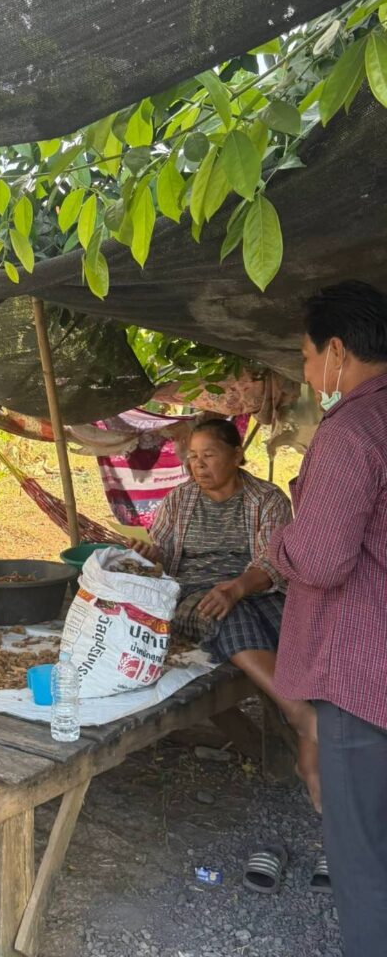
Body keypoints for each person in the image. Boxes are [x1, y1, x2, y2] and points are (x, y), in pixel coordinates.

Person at [268, 280, 387, 957]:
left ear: (337, 352)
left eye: (308, 359)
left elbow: (320, 557)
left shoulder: (351, 432)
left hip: (363, 671)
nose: (309, 376)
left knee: (364, 856)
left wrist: (277, 544)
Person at [131, 418, 320, 807]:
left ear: (236, 456)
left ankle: (319, 736)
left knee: (291, 625)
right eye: (193, 457)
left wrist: (238, 588)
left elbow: (273, 564)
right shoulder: (180, 500)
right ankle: (298, 713)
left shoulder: (266, 500)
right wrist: (150, 554)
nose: (199, 466)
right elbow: (163, 550)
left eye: (209, 455)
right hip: (195, 596)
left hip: (256, 590)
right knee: (222, 613)